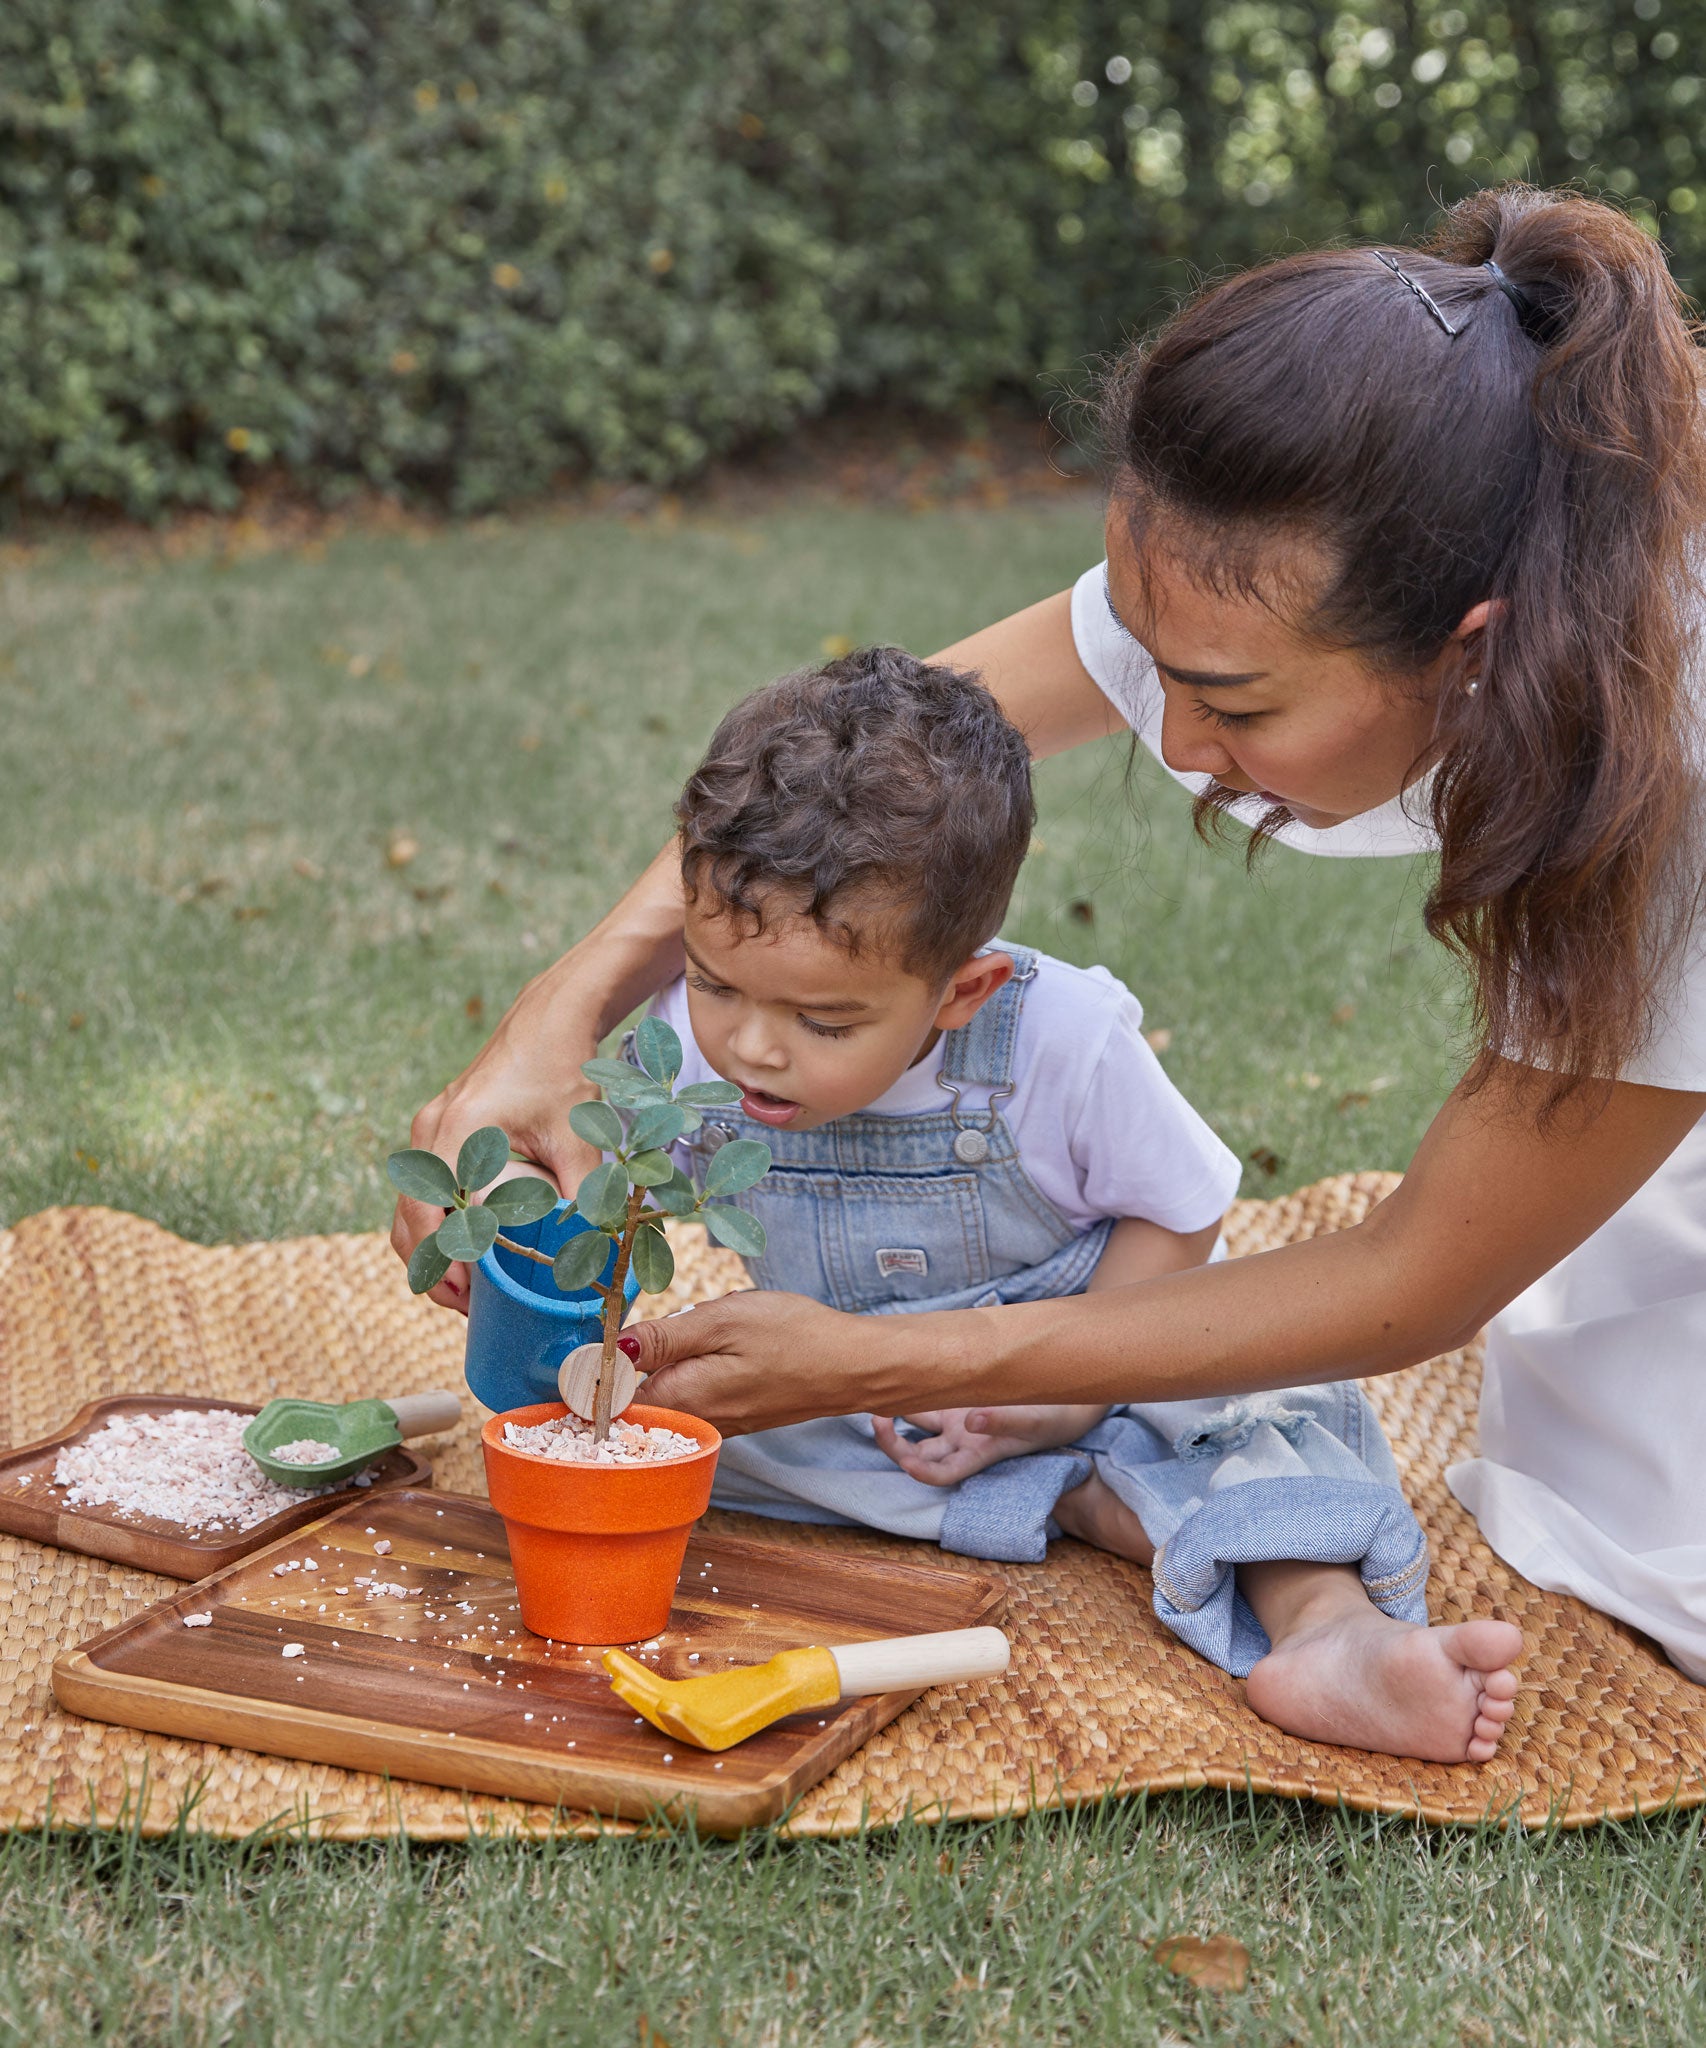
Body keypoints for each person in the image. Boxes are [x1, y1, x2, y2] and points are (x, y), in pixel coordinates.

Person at [396, 184, 1706, 1702]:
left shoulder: (1673, 774)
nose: (1169, 729)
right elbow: (889, 743)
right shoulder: (1337, 538)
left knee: (1647, 1558)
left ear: (1475, 650)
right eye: (1151, 663)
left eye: (1233, 701)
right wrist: (555, 1022)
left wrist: (891, 1360)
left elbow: (1417, 1277)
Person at [636, 645, 1517, 1762]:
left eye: (823, 1022)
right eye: (715, 983)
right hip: (857, 1396)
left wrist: (1054, 1398)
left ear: (961, 990)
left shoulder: (1058, 1041)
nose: (746, 1044)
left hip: (1102, 1358)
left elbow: (1179, 1211)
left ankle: (1324, 1629)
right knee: (688, 1427)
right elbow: (604, 1166)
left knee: (1257, 1413)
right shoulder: (681, 1036)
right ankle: (1087, 1506)